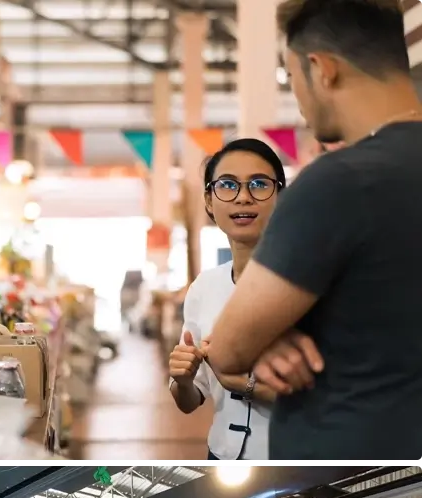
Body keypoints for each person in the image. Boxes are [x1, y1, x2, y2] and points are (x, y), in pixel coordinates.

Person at [208, 0, 422, 462]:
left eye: (290, 76)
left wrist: (265, 335)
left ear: (321, 69)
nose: (297, 98)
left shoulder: (340, 181)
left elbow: (227, 349)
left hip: (350, 455)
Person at [169, 139, 285, 464]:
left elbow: (331, 400)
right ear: (209, 200)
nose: (243, 197)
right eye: (228, 185)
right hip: (220, 457)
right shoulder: (204, 287)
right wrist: (182, 379)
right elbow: (191, 400)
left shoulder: (311, 287)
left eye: (260, 184)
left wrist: (246, 385)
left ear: (282, 197)